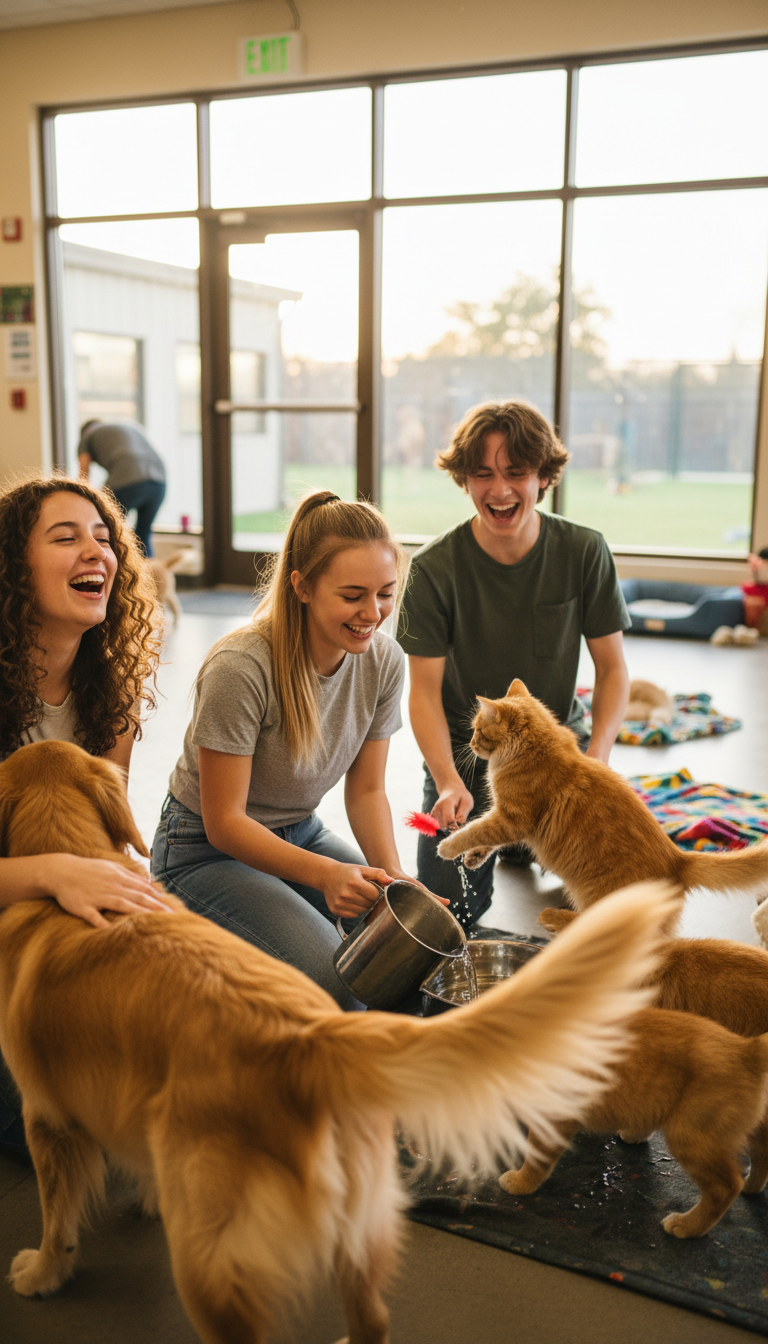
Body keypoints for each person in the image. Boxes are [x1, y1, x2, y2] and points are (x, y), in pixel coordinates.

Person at [151, 491, 428, 1012]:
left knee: (408, 959)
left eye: (386, 593)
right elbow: (225, 823)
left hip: (299, 831)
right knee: (341, 987)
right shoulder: (241, 666)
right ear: (301, 586)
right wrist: (324, 875)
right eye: (353, 596)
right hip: (202, 851)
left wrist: (396, 885)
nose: (373, 613)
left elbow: (367, 791)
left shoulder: (384, 660)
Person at [397, 399, 630, 926]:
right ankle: (515, 836)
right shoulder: (433, 569)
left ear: (543, 476)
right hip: (467, 759)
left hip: (558, 754)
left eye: (516, 472)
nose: (499, 490)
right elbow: (423, 693)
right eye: (483, 474)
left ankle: (523, 842)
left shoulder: (585, 550)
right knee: (445, 914)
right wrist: (447, 780)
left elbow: (613, 670)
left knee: (607, 903)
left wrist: (597, 757)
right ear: (465, 480)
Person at [0, 476, 172, 1151]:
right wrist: (53, 873)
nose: (96, 552)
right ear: (14, 567)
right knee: (55, 1117)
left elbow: (112, 837)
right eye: (65, 537)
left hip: (57, 924)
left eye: (104, 538)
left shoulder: (111, 688)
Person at [78, 419, 166, 555]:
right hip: (159, 481)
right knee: (143, 535)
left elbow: (83, 480)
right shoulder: (127, 427)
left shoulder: (87, 437)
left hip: (127, 479)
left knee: (109, 531)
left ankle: (112, 567)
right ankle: (147, 568)